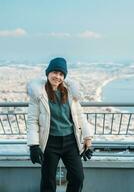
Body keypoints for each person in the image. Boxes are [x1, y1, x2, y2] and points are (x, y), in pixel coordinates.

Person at [27, 57, 93, 192]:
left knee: (78, 177)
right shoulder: (39, 94)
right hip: (50, 142)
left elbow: (79, 116)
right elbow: (32, 120)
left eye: (61, 74)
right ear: (48, 73)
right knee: (48, 181)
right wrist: (34, 145)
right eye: (55, 72)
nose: (57, 77)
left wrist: (88, 138)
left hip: (71, 141)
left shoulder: (69, 92)